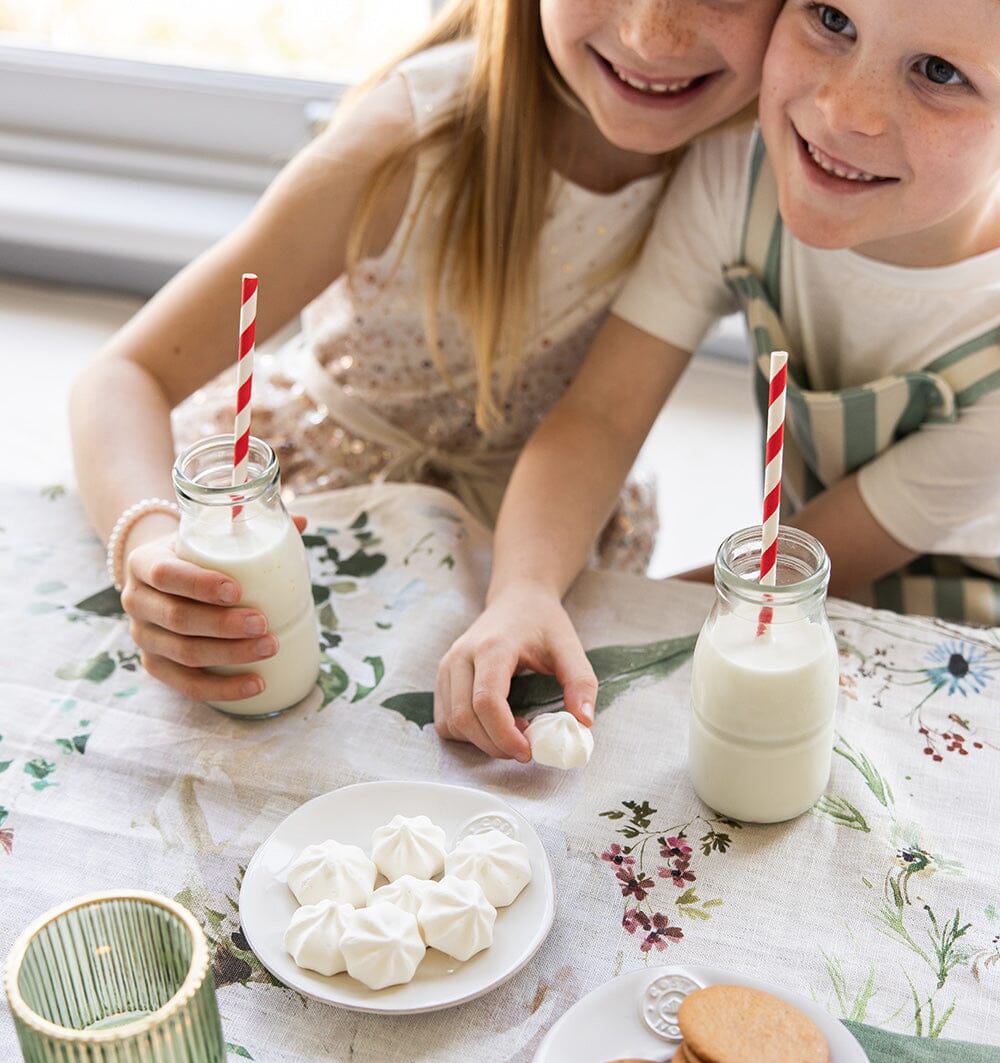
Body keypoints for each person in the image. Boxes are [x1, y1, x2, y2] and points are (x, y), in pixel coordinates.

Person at [69, 0, 779, 708]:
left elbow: (601, 418)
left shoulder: (745, 172)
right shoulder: (409, 136)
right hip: (320, 502)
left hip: (541, 536)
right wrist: (149, 546)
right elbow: (126, 373)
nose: (649, 36)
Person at [436, 0, 1000, 760]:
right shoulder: (739, 175)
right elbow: (600, 416)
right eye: (832, 19)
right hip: (796, 587)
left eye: (939, 72)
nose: (843, 111)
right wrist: (524, 593)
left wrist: (623, 627)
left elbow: (823, 560)